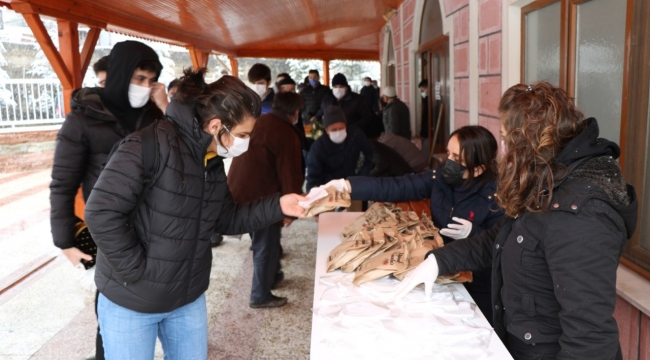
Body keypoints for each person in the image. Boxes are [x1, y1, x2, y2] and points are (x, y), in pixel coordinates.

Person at [396, 82, 638, 360]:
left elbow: (589, 338)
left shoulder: (581, 213)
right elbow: (504, 237)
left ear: (528, 140)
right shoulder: (550, 178)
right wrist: (439, 261)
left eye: (505, 136)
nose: (502, 146)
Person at [83, 68, 307, 359]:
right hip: (131, 302)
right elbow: (100, 213)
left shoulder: (210, 160)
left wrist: (279, 205)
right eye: (242, 134)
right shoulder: (146, 146)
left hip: (187, 299)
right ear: (216, 126)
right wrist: (138, 273)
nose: (246, 143)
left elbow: (225, 217)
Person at [50, 40, 168, 360]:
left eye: (149, 80)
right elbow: (63, 183)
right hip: (109, 230)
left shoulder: (155, 116)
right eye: (137, 78)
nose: (144, 87)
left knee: (150, 300)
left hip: (153, 227)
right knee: (113, 305)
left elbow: (183, 156)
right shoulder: (83, 120)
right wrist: (65, 241)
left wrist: (167, 107)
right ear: (118, 75)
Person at [325, 125, 502, 321]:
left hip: (476, 281)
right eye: (449, 153)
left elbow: (499, 245)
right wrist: (347, 186)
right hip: (438, 269)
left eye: (457, 159)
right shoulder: (441, 178)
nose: (448, 162)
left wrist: (474, 232)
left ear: (478, 169)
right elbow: (398, 186)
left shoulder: (496, 197)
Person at [228, 91, 305, 308]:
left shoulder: (260, 121)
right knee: (266, 245)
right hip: (262, 198)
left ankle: (273, 275)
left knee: (265, 242)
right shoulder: (286, 133)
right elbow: (290, 173)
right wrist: (291, 212)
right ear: (296, 112)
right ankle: (260, 295)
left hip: (238, 192)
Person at [306, 105, 373, 190]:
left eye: (341, 128)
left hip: (353, 185)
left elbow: (370, 155)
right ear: (326, 131)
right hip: (330, 190)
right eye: (333, 130)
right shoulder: (317, 148)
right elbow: (313, 178)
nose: (338, 132)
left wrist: (361, 177)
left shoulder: (356, 135)